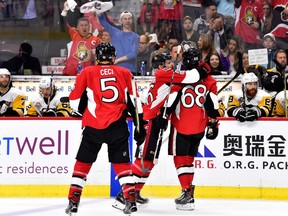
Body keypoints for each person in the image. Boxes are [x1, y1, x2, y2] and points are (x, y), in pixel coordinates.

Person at [112, 47, 212, 211]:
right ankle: (125, 195)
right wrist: (203, 69)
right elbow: (192, 76)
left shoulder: (164, 76)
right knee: (145, 160)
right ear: (159, 66)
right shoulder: (163, 75)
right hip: (152, 121)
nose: (171, 66)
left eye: (171, 63)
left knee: (149, 161)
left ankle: (134, 192)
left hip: (155, 122)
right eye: (167, 63)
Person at [65, 43, 146, 215]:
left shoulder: (86, 72)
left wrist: (85, 107)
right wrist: (140, 127)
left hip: (93, 125)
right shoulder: (125, 73)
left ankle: (73, 201)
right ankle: (130, 201)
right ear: (113, 56)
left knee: (83, 163)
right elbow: (135, 102)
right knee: (122, 165)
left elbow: (74, 103)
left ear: (97, 57)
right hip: (117, 125)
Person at [167, 47, 219, 211]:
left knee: (180, 159)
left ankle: (186, 191)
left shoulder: (180, 77)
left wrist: (164, 116)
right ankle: (188, 191)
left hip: (181, 124)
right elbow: (213, 104)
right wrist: (213, 123)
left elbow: (172, 99)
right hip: (199, 125)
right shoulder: (210, 80)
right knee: (189, 158)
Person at [99, 10, 140, 75]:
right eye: (125, 19)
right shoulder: (114, 32)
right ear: (121, 21)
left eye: (129, 19)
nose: (127, 21)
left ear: (132, 21)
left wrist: (117, 60)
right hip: (115, 69)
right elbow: (103, 22)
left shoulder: (136, 37)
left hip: (130, 69)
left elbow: (133, 53)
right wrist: (100, 11)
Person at [263, 49, 288, 115]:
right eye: (280, 58)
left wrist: (275, 80)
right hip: (273, 103)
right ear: (275, 59)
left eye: (284, 57)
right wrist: (283, 82)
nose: (283, 59)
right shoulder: (270, 72)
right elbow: (267, 85)